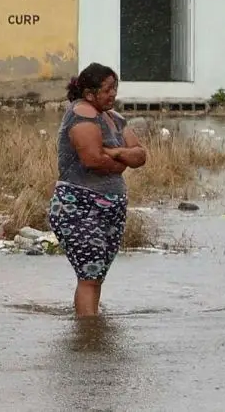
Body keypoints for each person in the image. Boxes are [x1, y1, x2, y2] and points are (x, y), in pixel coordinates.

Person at [48, 62, 147, 319]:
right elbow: (93, 160)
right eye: (107, 89)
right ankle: (88, 335)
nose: (113, 94)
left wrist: (116, 152)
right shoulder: (81, 112)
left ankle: (91, 330)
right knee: (89, 276)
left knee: (96, 275)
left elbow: (140, 156)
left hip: (111, 205)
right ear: (90, 94)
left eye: (115, 88)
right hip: (78, 205)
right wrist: (122, 161)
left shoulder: (115, 118)